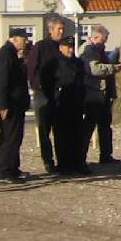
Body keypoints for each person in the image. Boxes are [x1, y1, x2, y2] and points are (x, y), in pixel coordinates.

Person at [27, 16, 68, 173]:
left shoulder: (64, 46)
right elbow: (32, 68)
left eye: (63, 29)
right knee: (44, 129)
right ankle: (48, 161)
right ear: (51, 30)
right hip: (43, 93)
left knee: (61, 129)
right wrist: (38, 85)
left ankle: (63, 160)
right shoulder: (41, 46)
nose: (61, 32)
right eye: (59, 29)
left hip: (60, 94)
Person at [0, 28, 30, 182]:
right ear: (14, 39)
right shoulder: (5, 54)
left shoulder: (13, 54)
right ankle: (4, 172)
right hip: (10, 103)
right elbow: (0, 81)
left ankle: (13, 168)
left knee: (15, 137)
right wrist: (2, 105)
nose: (26, 42)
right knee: (9, 138)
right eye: (23, 39)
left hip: (16, 103)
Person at [79, 24, 121, 166]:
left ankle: (106, 155)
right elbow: (95, 69)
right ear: (96, 37)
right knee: (89, 126)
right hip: (93, 93)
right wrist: (113, 68)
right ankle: (81, 158)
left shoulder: (98, 50)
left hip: (103, 93)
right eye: (103, 40)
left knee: (105, 126)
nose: (104, 43)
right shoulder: (88, 50)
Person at [49, 37, 89, 174]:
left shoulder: (78, 63)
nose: (70, 50)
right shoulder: (54, 63)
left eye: (72, 47)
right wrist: (54, 97)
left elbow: (82, 82)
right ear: (61, 48)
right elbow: (48, 83)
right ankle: (64, 164)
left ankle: (78, 163)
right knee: (62, 136)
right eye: (67, 47)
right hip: (61, 104)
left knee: (77, 135)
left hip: (76, 103)